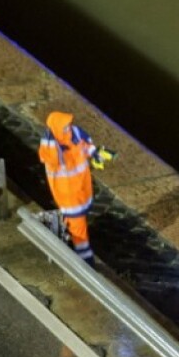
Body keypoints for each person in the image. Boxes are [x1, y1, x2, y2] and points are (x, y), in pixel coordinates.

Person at [38, 111, 114, 266]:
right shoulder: (52, 150)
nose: (69, 128)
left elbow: (83, 147)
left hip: (80, 190)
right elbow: (54, 157)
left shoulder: (73, 136)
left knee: (76, 225)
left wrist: (95, 154)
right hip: (69, 197)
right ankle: (86, 260)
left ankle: (68, 236)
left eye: (69, 125)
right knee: (79, 229)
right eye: (65, 127)